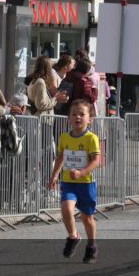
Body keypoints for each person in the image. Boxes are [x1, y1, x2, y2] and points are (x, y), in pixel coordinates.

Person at [47, 99, 102, 264]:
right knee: (65, 208)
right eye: (74, 114)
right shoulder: (64, 137)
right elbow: (60, 157)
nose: (78, 117)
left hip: (86, 183)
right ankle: (73, 236)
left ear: (89, 118)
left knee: (87, 218)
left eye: (82, 114)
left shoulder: (91, 138)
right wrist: (54, 175)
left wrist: (82, 172)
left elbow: (96, 160)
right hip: (68, 182)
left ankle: (91, 246)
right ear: (69, 118)